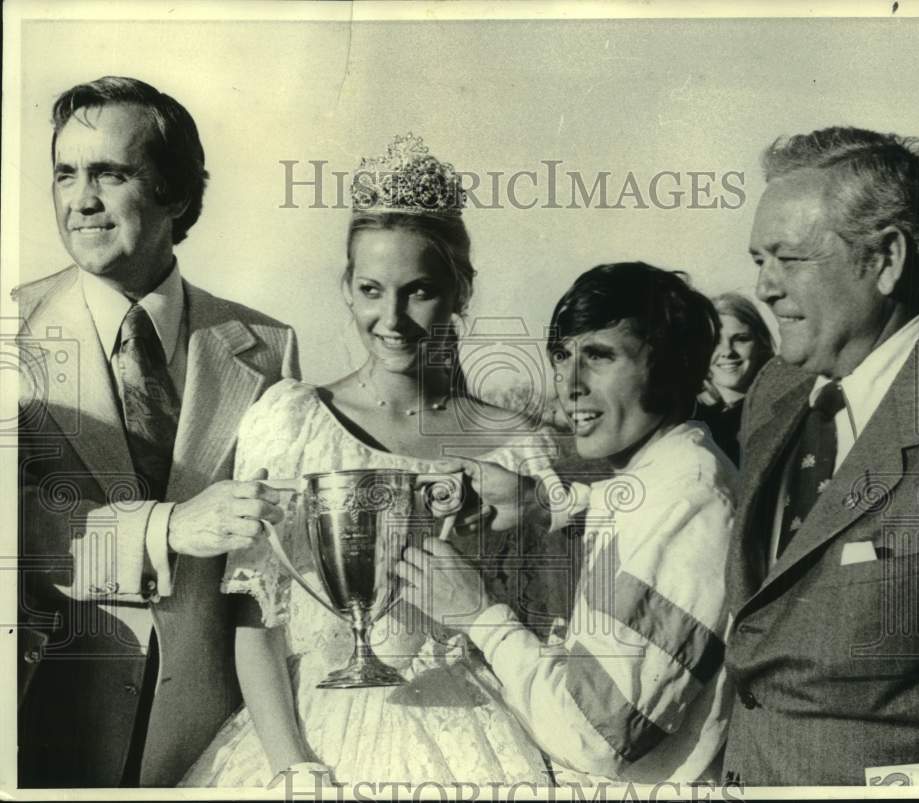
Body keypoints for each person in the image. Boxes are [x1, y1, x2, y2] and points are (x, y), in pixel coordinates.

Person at [181, 135, 559, 787]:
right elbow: (257, 621)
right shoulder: (292, 419)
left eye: (420, 291)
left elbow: (541, 630)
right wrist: (292, 764)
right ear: (347, 290)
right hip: (306, 731)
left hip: (471, 733)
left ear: (460, 290)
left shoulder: (515, 443)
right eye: (371, 289)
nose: (393, 318)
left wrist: (525, 511)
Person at [16, 76, 299, 787]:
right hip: (45, 739)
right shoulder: (9, 331)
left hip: (214, 752)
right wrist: (166, 527)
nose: (80, 200)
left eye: (110, 173)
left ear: (176, 193)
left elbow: (275, 574)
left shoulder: (269, 346)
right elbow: (14, 531)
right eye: (65, 173)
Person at [399, 263, 737, 784]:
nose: (569, 385)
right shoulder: (671, 473)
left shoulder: (688, 500)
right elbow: (628, 512)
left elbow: (597, 734)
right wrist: (538, 501)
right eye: (561, 356)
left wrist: (479, 616)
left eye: (599, 356)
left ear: (672, 366)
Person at [722, 127, 919, 785]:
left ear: (886, 258)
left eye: (790, 259)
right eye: (759, 258)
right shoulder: (776, 392)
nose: (764, 286)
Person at [695, 293, 775, 465]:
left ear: (761, 344)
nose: (727, 351)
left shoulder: (776, 411)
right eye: (715, 341)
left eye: (741, 339)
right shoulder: (688, 416)